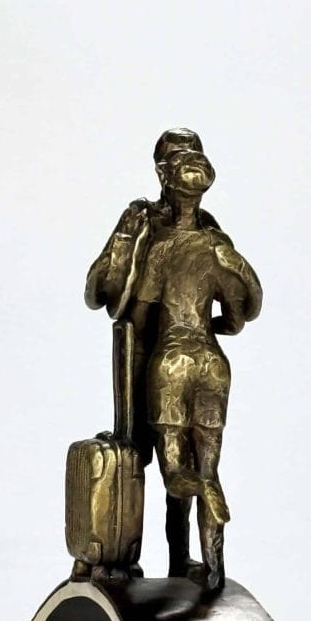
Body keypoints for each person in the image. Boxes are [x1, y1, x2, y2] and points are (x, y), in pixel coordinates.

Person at [85, 128, 225, 579]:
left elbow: (121, 306)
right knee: (153, 458)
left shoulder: (197, 230)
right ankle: (152, 559)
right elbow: (97, 292)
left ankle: (170, 561)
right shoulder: (150, 221)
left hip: (162, 356)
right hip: (172, 355)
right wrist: (125, 241)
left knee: (166, 463)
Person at [128, 144, 262, 590]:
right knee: (209, 466)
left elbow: (139, 318)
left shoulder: (161, 247)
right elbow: (240, 317)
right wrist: (211, 324)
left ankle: (202, 490)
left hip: (171, 363)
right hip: (212, 362)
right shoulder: (219, 247)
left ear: (167, 182)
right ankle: (211, 569)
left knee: (175, 475)